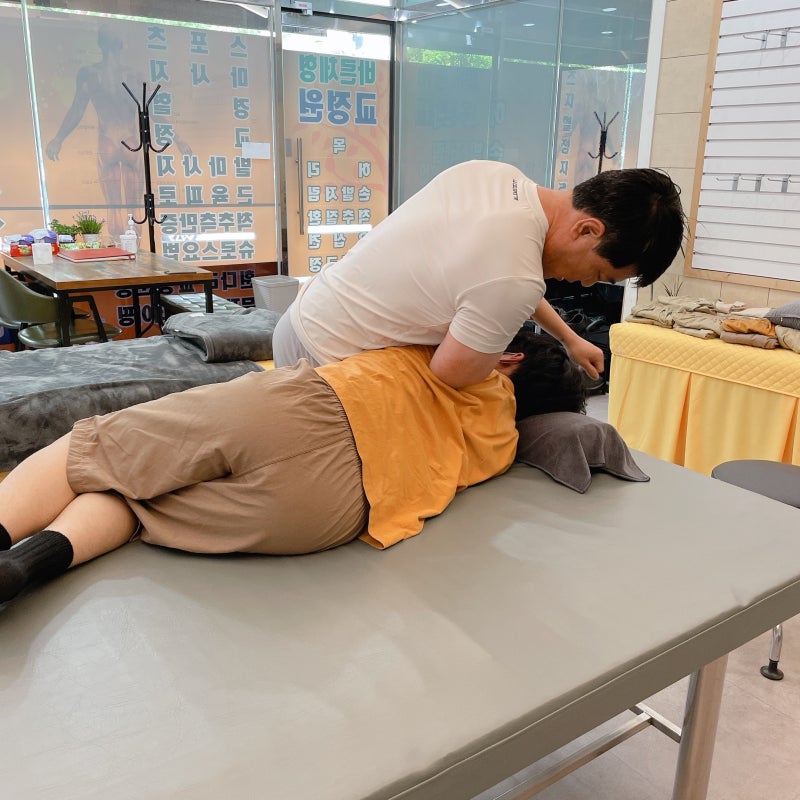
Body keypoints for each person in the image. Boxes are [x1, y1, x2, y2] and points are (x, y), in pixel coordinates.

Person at [0, 331, 586, 605]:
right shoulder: (502, 444)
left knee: (89, 449)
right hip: (331, 511)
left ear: (507, 355)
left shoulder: (457, 355)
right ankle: (28, 563)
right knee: (136, 500)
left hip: (305, 409)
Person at [273, 160, 686, 388]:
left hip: (304, 315)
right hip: (328, 362)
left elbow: (496, 281)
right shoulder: (514, 277)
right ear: (588, 230)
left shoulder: (495, 174)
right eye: (599, 272)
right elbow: (450, 374)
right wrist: (488, 362)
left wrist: (570, 338)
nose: (588, 283)